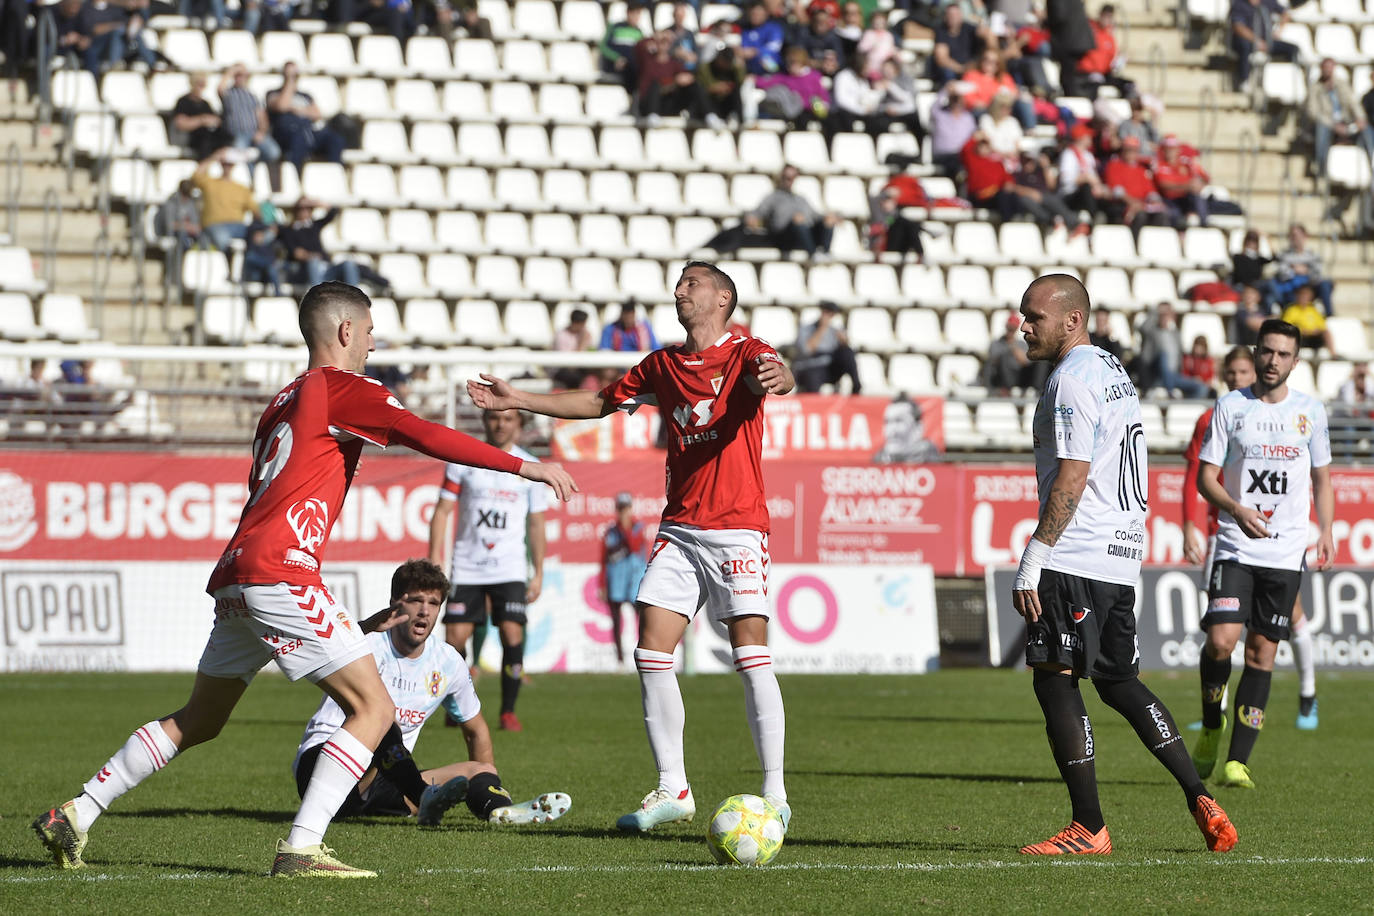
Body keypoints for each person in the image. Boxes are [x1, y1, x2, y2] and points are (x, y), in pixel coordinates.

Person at [32, 282, 577, 877]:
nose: (373, 343)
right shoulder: (345, 387)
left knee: (200, 720)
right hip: (281, 570)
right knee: (373, 706)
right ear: (346, 332)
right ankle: (302, 846)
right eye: (369, 332)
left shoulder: (283, 398)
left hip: (239, 570)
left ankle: (78, 811)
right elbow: (425, 434)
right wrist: (527, 466)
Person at [466, 260, 796, 835]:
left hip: (737, 526)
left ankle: (775, 792)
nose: (679, 290)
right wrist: (515, 397)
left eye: (692, 283)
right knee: (651, 649)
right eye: (678, 284)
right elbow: (597, 403)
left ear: (723, 299)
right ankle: (674, 787)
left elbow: (776, 373)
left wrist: (781, 378)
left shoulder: (746, 350)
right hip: (681, 527)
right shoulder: (662, 364)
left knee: (749, 651)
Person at [1010, 274, 1237, 856]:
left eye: (1034, 316)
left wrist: (1035, 555)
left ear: (1072, 320)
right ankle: (1198, 795)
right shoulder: (1112, 370)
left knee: (1055, 677)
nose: (1024, 326)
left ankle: (1088, 826)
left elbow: (1074, 475)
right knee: (1118, 682)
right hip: (1119, 553)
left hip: (1077, 551)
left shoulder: (1071, 381)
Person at [292, 558, 572, 826]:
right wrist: (362, 627)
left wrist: (486, 785)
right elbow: (311, 648)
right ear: (394, 603)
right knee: (381, 717)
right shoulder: (364, 645)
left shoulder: (447, 662)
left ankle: (500, 811)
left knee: (478, 770)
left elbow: (476, 729)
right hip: (323, 765)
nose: (425, 611)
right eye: (415, 601)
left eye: (433, 603)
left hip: (386, 782)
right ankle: (424, 796)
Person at [1191, 319, 1334, 788]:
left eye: (1283, 354)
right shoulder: (1231, 407)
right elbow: (1205, 478)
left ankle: (1237, 762)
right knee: (1220, 641)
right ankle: (1212, 724)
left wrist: (1327, 531)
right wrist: (1235, 508)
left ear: (1296, 360)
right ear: (1256, 354)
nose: (1273, 361)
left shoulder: (1311, 412)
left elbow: (1322, 479)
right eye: (1267, 352)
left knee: (1261, 654)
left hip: (1285, 551)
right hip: (1235, 544)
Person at [427, 408, 547, 733]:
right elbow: (442, 511)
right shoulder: (462, 460)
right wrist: (434, 560)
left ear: (519, 426)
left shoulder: (530, 469)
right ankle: (458, 704)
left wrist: (538, 571)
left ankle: (508, 712)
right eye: (495, 418)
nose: (501, 424)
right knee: (455, 639)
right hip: (467, 566)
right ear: (485, 422)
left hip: (509, 568)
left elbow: (536, 523)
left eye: (509, 419)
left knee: (512, 633)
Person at [278, 198, 390, 290]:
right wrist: (310, 256)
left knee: (348, 264)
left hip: (326, 269)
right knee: (313, 262)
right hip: (307, 269)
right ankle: (318, 299)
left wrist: (315, 202)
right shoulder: (289, 230)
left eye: (308, 208)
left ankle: (354, 299)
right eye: (301, 208)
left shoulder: (315, 226)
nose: (304, 211)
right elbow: (296, 253)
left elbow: (334, 211)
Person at [266, 63, 347, 175]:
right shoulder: (273, 93)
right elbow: (281, 106)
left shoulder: (305, 95)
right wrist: (289, 83)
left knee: (335, 139)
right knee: (299, 139)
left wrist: (297, 109)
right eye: (290, 74)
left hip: (309, 132)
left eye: (295, 75)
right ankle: (295, 177)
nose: (293, 77)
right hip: (287, 135)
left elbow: (317, 114)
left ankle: (335, 175)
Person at [601, 492, 649, 666]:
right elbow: (604, 559)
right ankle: (619, 659)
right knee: (616, 620)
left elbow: (635, 546)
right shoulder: (610, 532)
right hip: (616, 581)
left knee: (641, 619)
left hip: (635, 581)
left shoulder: (638, 528)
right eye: (620, 509)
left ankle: (642, 654)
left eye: (625, 508)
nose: (623, 512)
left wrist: (626, 527)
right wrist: (602, 583)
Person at [219, 62, 283, 193]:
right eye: (238, 75)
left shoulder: (252, 96)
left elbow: (261, 116)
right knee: (241, 157)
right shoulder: (229, 94)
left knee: (274, 152)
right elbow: (220, 88)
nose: (240, 78)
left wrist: (261, 132)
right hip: (238, 134)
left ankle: (260, 179)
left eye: (243, 75)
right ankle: (249, 184)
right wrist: (232, 70)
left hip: (254, 133)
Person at [192, 149, 264, 252]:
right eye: (225, 164)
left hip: (238, 226)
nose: (227, 167)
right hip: (214, 225)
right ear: (221, 164)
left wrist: (263, 227)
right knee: (222, 239)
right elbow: (196, 175)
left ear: (233, 166)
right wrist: (215, 157)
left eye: (230, 164)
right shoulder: (210, 183)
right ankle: (225, 264)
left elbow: (256, 210)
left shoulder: (242, 188)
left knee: (260, 237)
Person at [633, 29, 707, 122]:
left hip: (667, 103)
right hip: (648, 103)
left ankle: (708, 114)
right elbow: (638, 47)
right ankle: (653, 114)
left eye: (666, 43)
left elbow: (686, 78)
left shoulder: (674, 64)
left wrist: (680, 81)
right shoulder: (647, 61)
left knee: (695, 85)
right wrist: (654, 36)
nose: (663, 46)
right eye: (661, 42)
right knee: (656, 84)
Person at [793, 300, 861, 394]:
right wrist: (822, 328)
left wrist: (844, 341)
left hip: (829, 368)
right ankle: (813, 406)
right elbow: (807, 350)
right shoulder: (806, 329)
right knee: (813, 375)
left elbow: (846, 355)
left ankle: (856, 388)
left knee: (847, 352)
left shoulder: (835, 331)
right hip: (812, 366)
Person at [1228, 0, 1296, 93]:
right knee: (1244, 46)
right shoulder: (1239, 4)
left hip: (1266, 41)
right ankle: (1244, 80)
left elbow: (1286, 13)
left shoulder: (1268, 2)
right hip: (1247, 41)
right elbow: (1238, 26)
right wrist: (1257, 41)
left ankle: (1289, 83)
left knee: (1293, 49)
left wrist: (1279, 30)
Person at [1272, 224, 1333, 317]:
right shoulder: (1284, 254)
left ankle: (1329, 315)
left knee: (1326, 284)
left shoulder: (1313, 255)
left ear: (1305, 236)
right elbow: (1282, 272)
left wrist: (1305, 271)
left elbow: (1317, 272)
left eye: (1297, 235)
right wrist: (1295, 271)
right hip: (1292, 286)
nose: (1295, 238)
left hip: (1310, 284)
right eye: (1292, 235)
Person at [173, 72, 232, 162]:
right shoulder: (183, 102)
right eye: (198, 84)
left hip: (206, 136)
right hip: (191, 138)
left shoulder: (205, 104)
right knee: (205, 142)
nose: (201, 87)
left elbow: (214, 120)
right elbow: (181, 124)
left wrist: (214, 121)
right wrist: (202, 120)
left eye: (202, 84)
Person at [983, 313, 1047, 392]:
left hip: (1019, 376)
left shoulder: (1022, 344)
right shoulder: (996, 343)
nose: (1011, 330)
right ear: (1006, 326)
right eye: (1009, 327)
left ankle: (1037, 390)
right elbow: (993, 361)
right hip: (1003, 377)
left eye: (1013, 328)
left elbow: (1026, 361)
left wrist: (1014, 349)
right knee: (1003, 358)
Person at [929, 3, 985, 87]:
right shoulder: (941, 31)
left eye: (956, 14)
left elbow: (985, 35)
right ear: (946, 16)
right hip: (952, 70)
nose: (953, 17)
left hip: (969, 68)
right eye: (950, 14)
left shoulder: (969, 29)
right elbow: (942, 59)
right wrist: (961, 69)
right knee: (948, 73)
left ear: (961, 15)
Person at [873, 395, 941, 463]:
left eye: (899, 421)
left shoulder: (931, 462)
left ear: (918, 428)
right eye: (887, 422)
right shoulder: (878, 461)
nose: (891, 431)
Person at [930, 82, 979, 177]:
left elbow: (973, 136)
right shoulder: (940, 114)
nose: (957, 102)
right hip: (944, 154)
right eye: (954, 99)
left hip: (962, 155)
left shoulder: (968, 117)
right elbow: (934, 106)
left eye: (959, 99)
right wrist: (946, 90)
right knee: (958, 164)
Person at [599, 1, 648, 89]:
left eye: (638, 15)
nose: (636, 18)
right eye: (634, 14)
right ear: (628, 13)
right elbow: (603, 47)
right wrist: (616, 58)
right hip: (614, 64)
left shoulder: (639, 32)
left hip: (631, 67)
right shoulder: (615, 27)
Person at [1279, 281, 1335, 353]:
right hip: (1301, 338)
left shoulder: (1313, 310)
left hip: (1313, 338)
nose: (1304, 297)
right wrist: (1302, 330)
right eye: (1302, 294)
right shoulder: (1291, 310)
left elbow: (1322, 326)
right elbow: (1286, 327)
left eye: (1306, 295)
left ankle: (1333, 354)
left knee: (1326, 332)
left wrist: (1315, 331)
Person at [739, 0, 785, 76]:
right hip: (751, 69)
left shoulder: (774, 27)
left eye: (758, 14)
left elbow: (774, 46)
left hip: (772, 66)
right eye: (753, 14)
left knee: (764, 59)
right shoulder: (745, 30)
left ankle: (772, 77)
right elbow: (743, 48)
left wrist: (756, 51)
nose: (755, 17)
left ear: (766, 14)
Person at [552, 308, 595, 389]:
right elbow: (567, 362)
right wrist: (581, 344)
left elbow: (591, 352)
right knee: (575, 377)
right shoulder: (561, 335)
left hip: (580, 367)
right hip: (562, 370)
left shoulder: (586, 334)